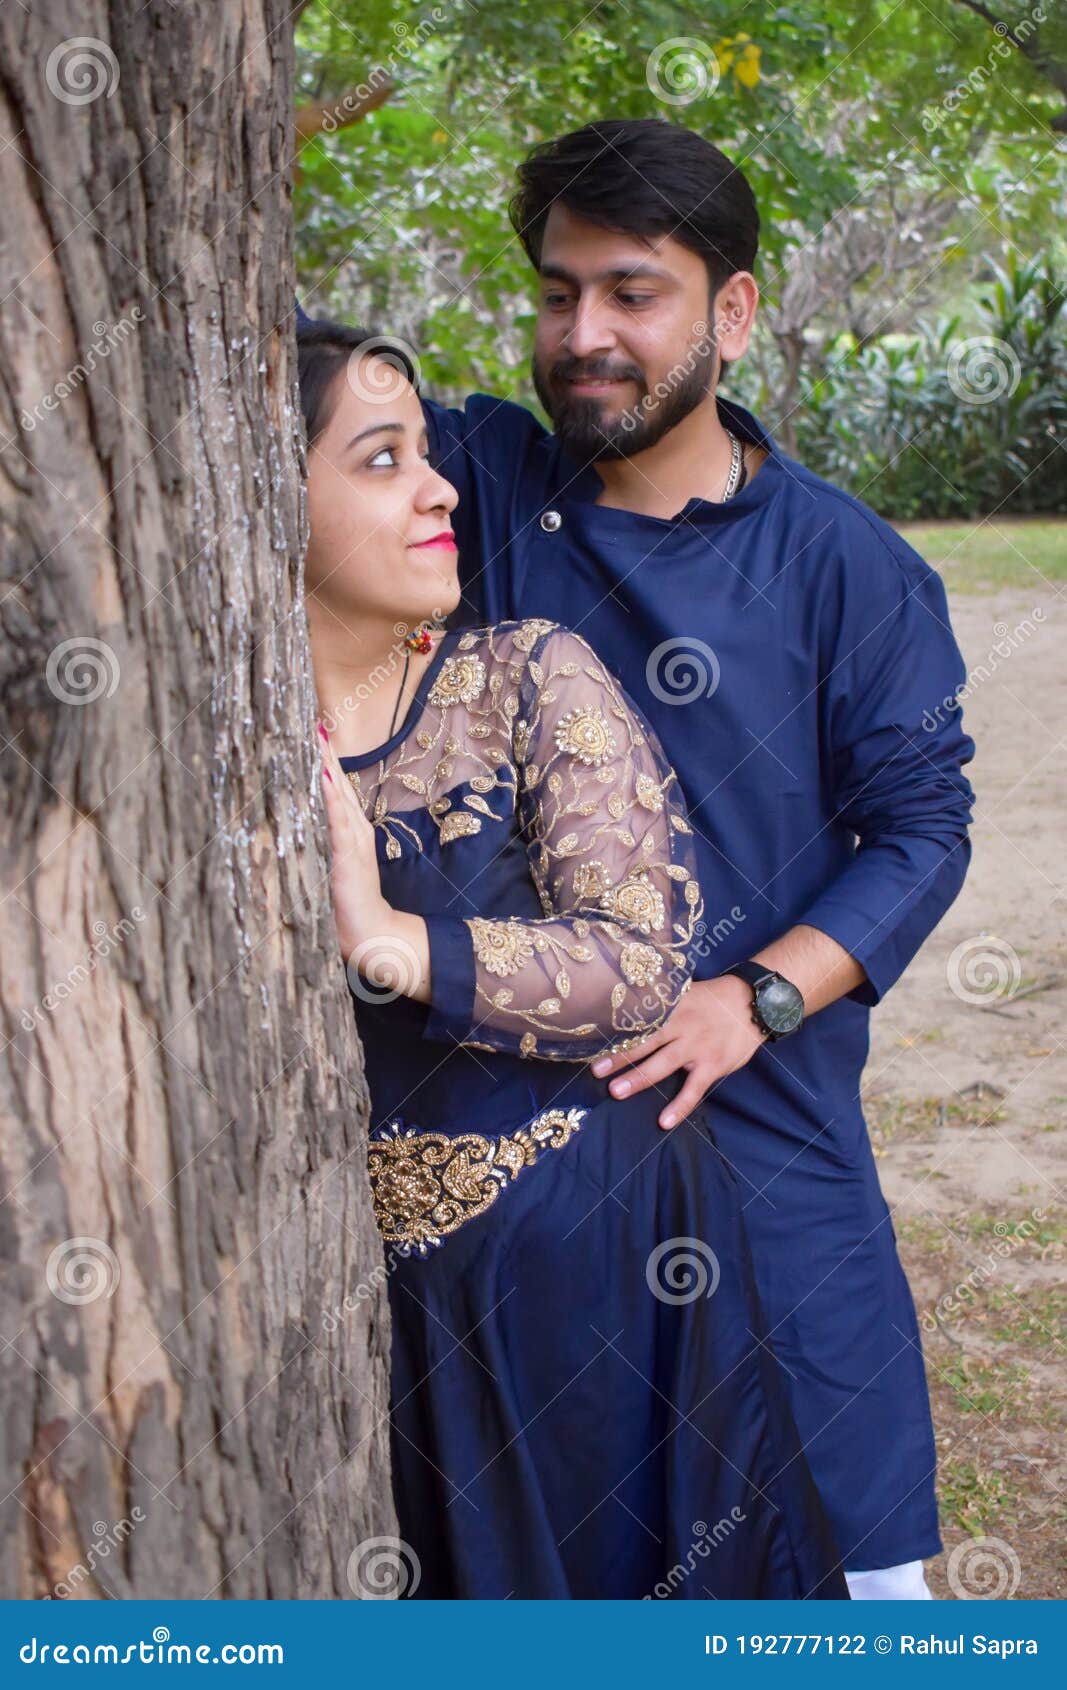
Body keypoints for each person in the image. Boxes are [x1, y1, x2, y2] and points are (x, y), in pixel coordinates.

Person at [406, 120, 977, 1600]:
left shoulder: (845, 566)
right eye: (554, 293)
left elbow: (920, 827)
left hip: (765, 1149)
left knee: (855, 1584)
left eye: (629, 293)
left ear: (728, 311)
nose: (581, 335)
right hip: (526, 1190)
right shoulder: (476, 489)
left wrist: (753, 997)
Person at [299, 318, 848, 1599]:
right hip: (375, 1320)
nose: (440, 488)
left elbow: (638, 962)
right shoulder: (211, 743)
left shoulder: (526, 677)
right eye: (381, 461)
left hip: (604, 1276)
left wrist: (391, 943)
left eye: (429, 454)